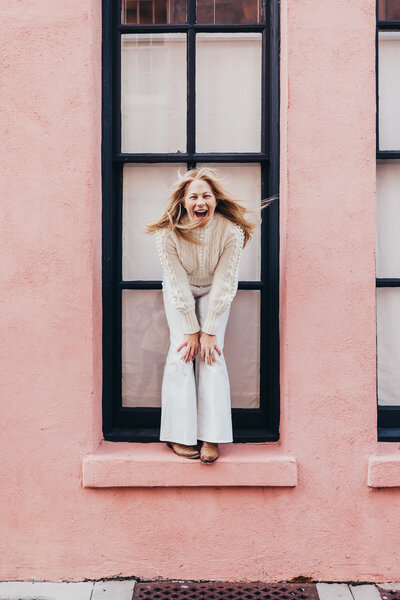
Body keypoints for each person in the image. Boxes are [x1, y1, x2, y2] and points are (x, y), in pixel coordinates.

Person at [146, 167, 257, 463]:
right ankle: (178, 435)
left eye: (206, 196)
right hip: (179, 291)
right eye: (193, 196)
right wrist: (190, 328)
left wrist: (208, 330)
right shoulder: (166, 234)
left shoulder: (230, 231)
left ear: (215, 201)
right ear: (184, 201)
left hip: (214, 291)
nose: (200, 202)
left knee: (212, 353)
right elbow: (176, 282)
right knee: (182, 351)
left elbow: (225, 282)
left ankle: (212, 436)